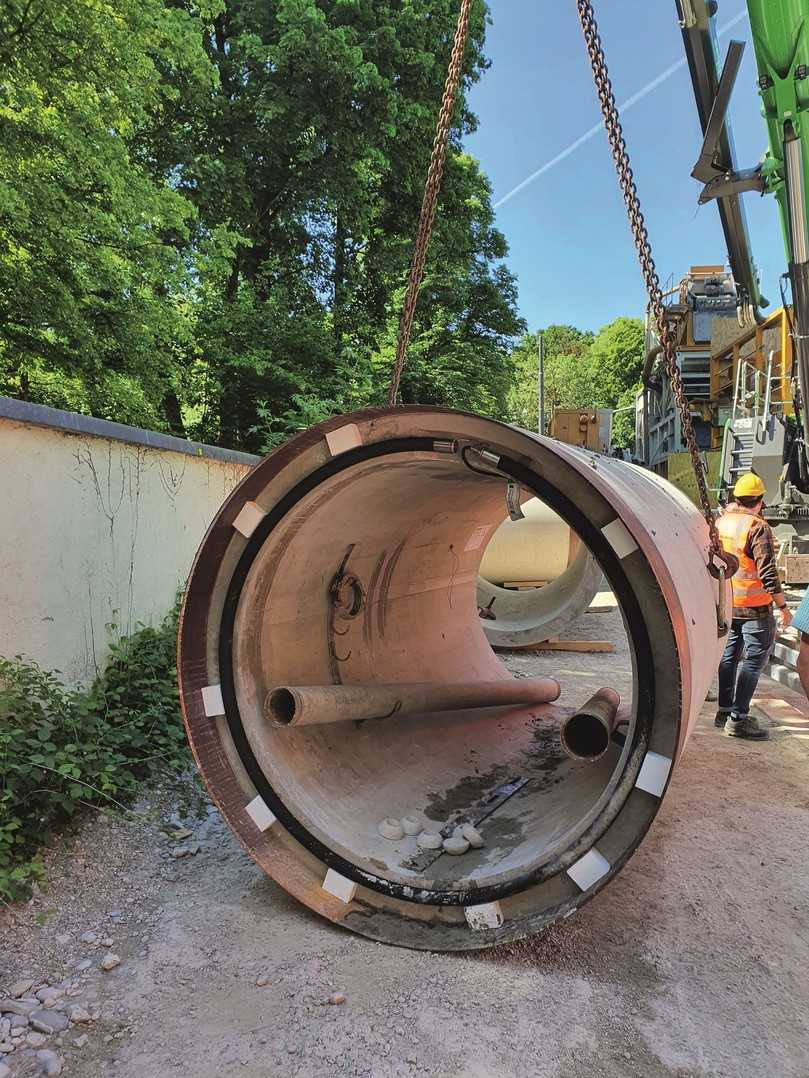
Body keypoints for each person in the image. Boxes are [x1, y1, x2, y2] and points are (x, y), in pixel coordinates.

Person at [715, 472, 792, 739]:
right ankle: (738, 719)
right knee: (753, 662)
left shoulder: (722, 522)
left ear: (737, 498)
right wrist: (783, 607)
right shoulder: (757, 527)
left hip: (728, 605)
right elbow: (768, 572)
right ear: (759, 501)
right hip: (755, 609)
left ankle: (724, 712)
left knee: (728, 658)